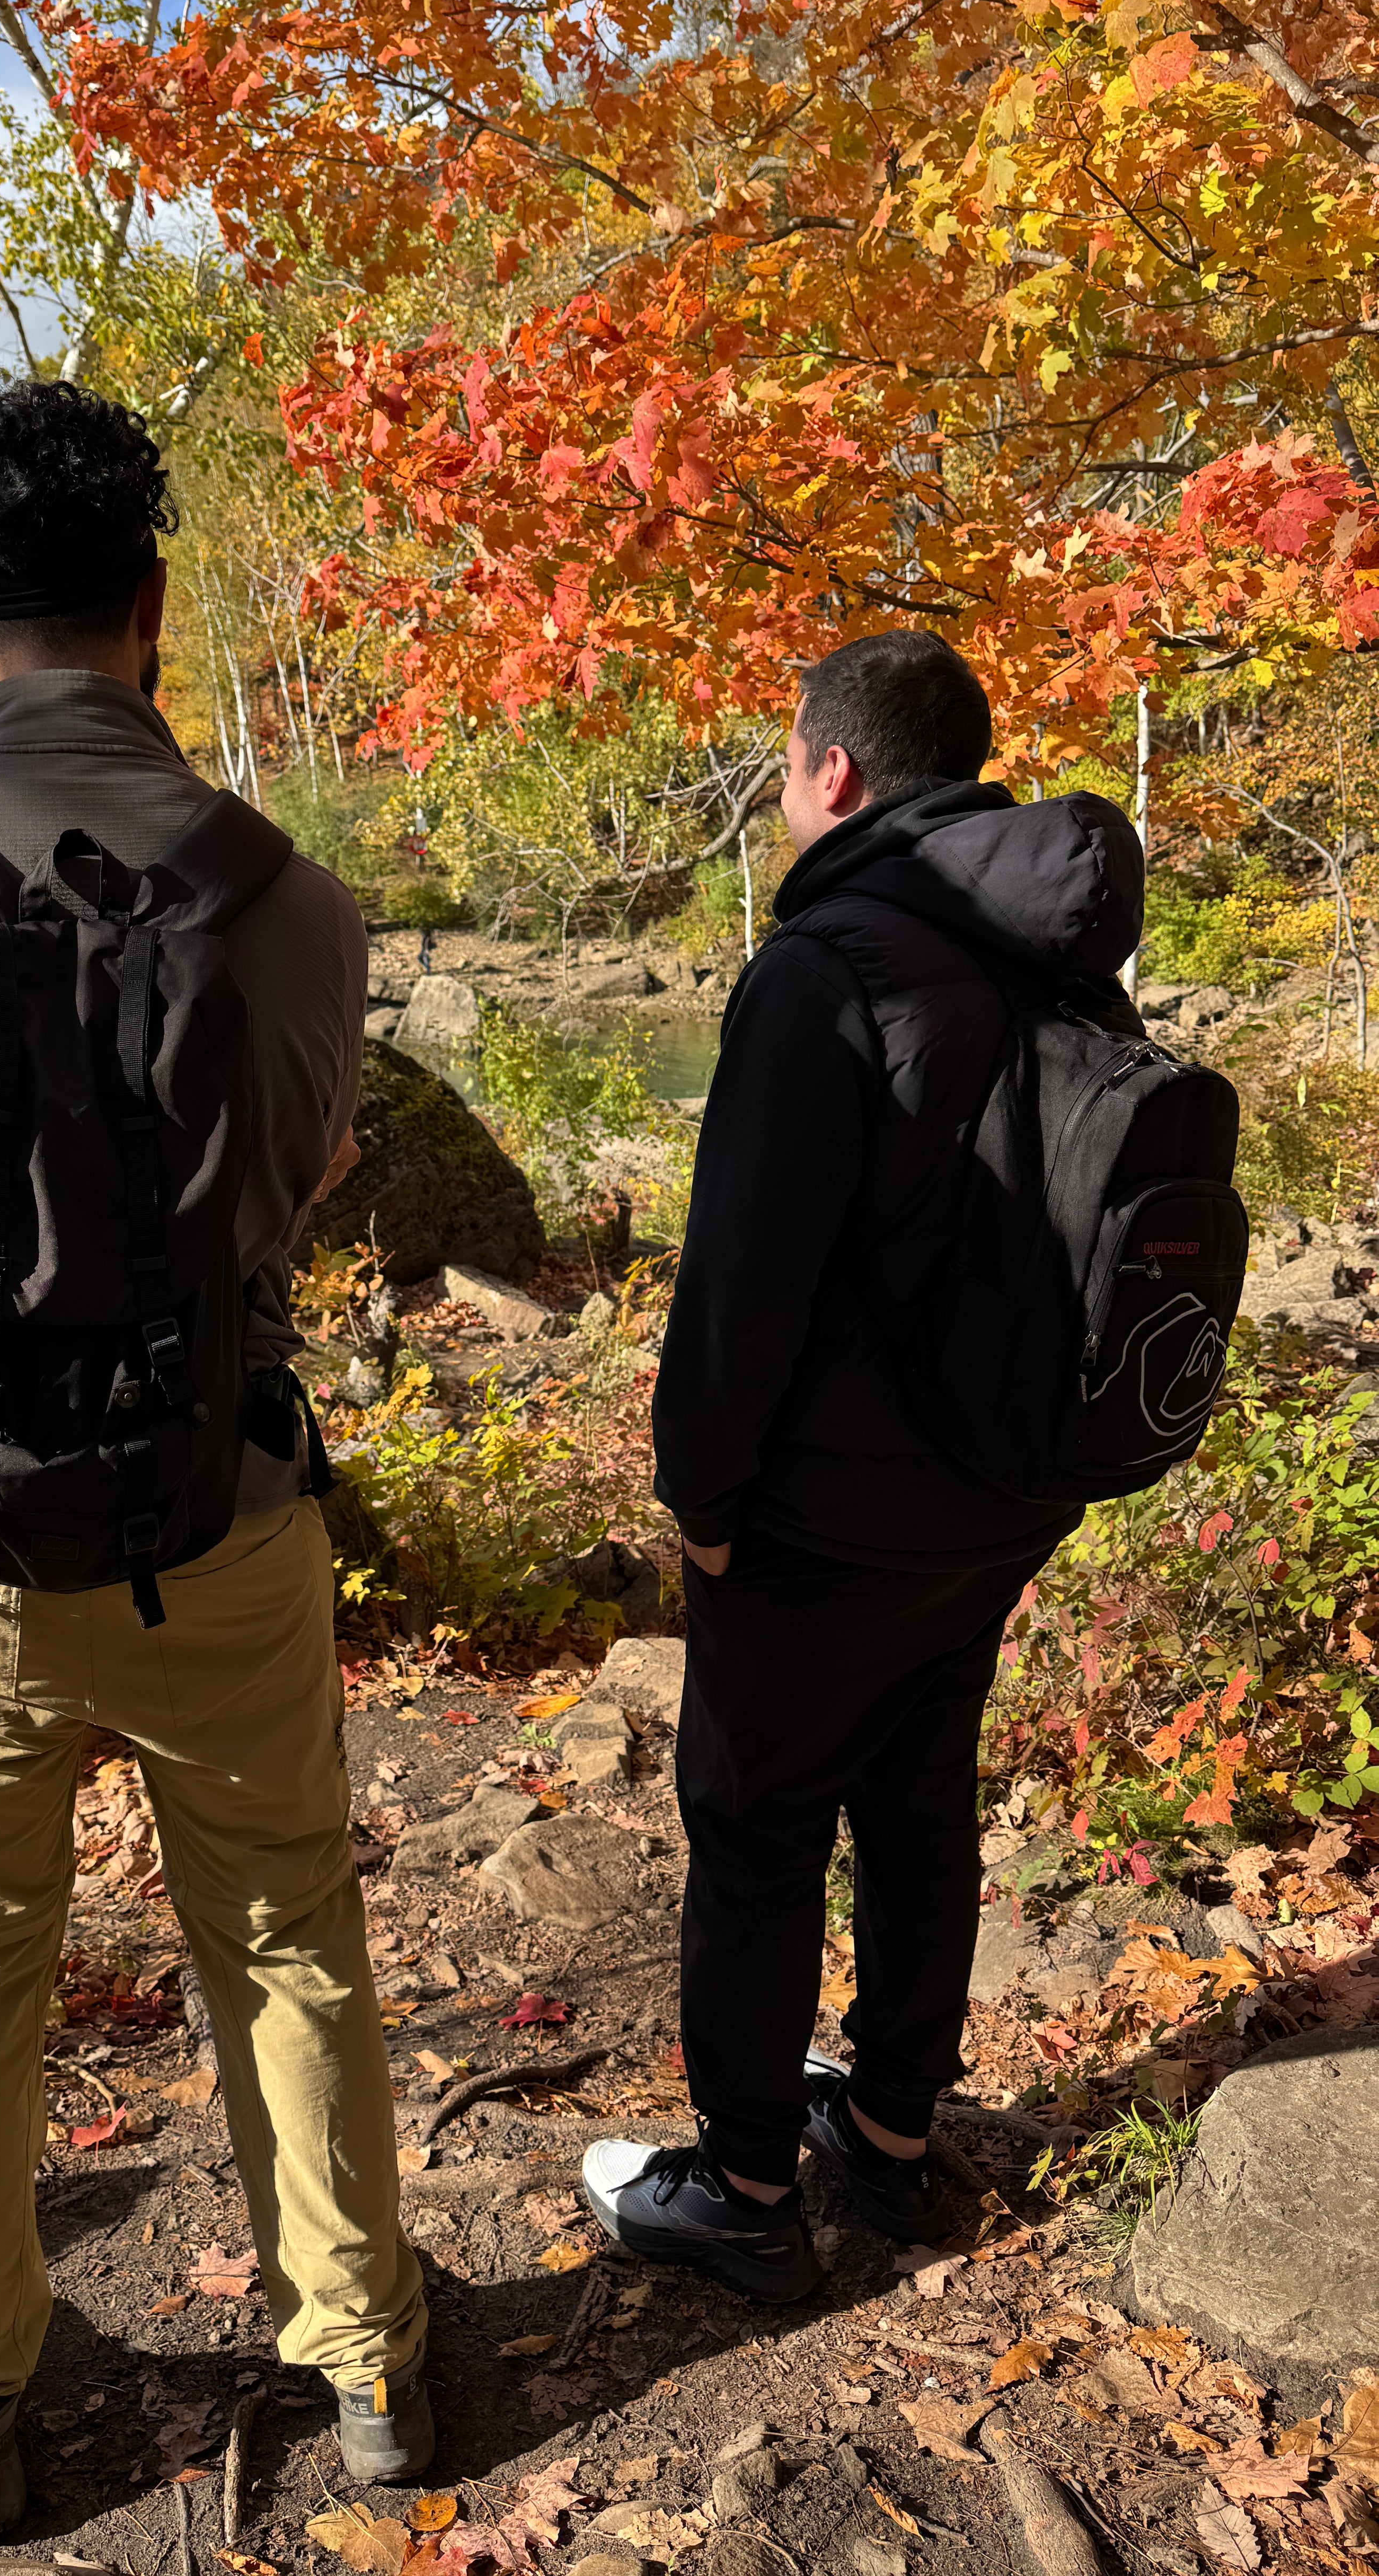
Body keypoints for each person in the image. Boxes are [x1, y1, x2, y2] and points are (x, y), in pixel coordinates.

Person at [0, 382, 428, 2535]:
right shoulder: (294, 900)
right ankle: (369, 2355)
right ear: (156, 608)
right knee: (294, 1933)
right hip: (221, 1510)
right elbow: (304, 1177)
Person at [580, 631, 1140, 2300]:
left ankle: (749, 2188)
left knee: (753, 1825)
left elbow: (739, 1284)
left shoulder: (828, 964)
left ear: (831, 770)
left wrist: (705, 1501)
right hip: (1004, 1481)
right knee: (916, 1792)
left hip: (830, 1508)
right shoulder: (1061, 954)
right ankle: (889, 2141)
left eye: (782, 765)